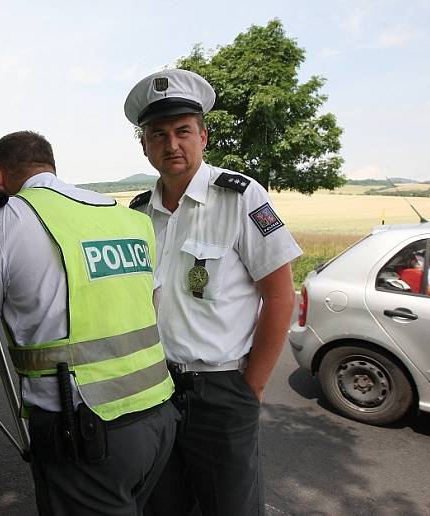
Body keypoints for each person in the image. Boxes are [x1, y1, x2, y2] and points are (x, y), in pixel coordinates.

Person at [0, 131, 179, 515]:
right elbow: (150, 302)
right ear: (52, 168)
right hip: (158, 416)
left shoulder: (1, 222)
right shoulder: (124, 217)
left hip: (85, 429)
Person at [123, 69, 302, 516]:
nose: (172, 144)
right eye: (158, 134)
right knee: (162, 505)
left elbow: (282, 296)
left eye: (183, 131)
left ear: (203, 136)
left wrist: (251, 389)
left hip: (221, 390)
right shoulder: (138, 215)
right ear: (144, 146)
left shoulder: (240, 197)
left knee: (231, 508)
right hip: (155, 390)